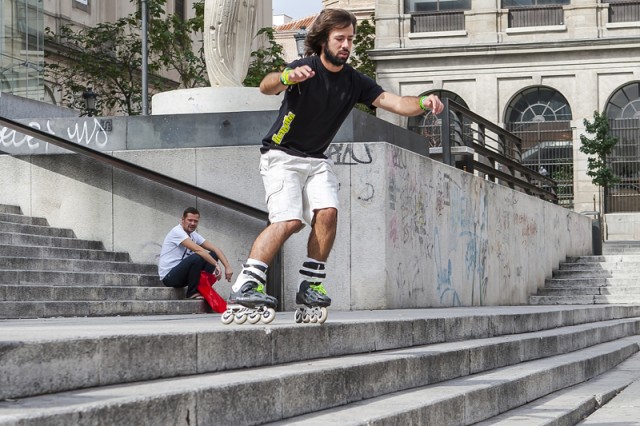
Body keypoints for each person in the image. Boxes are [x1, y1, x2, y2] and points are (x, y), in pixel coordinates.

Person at [229, 8, 444, 311]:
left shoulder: (355, 81)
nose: (346, 45)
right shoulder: (306, 67)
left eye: (350, 40)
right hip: (282, 156)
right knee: (289, 220)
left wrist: (422, 101)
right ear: (323, 41)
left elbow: (393, 102)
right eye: (339, 38)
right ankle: (246, 283)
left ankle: (310, 284)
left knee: (328, 212)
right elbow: (267, 85)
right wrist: (287, 76)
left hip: (317, 159)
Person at [159, 207, 233, 299]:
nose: (193, 223)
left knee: (213, 254)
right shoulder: (177, 232)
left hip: (183, 275)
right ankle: (192, 292)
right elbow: (199, 250)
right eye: (190, 220)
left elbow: (215, 249)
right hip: (169, 277)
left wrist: (227, 267)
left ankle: (203, 288)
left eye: (195, 221)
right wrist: (216, 264)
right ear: (183, 220)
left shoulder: (193, 235)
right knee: (197, 256)